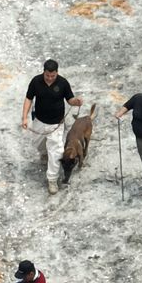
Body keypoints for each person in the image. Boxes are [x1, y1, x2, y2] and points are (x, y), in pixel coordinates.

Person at [21, 59, 83, 195]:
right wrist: (24, 117)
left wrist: (76, 102)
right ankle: (44, 154)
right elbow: (28, 98)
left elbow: (70, 99)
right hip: (39, 120)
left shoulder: (63, 83)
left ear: (57, 73)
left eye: (52, 76)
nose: (50, 78)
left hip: (56, 123)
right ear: (44, 72)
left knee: (56, 151)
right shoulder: (36, 81)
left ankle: (52, 180)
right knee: (38, 144)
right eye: (47, 75)